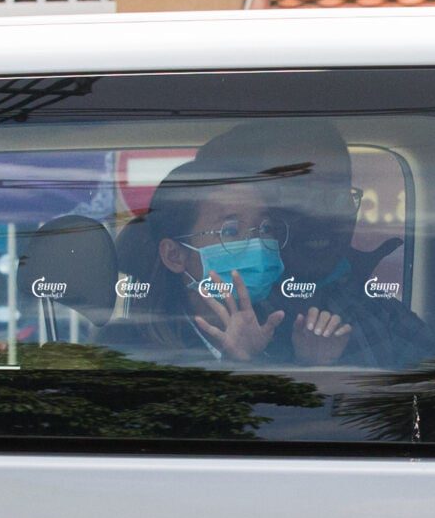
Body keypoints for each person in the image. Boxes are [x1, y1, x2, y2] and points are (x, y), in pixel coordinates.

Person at [193, 119, 435, 369]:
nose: (320, 216)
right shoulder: (213, 315)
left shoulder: (378, 314)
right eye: (296, 196)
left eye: (335, 196)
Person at [102, 157, 352, 367]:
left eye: (265, 228)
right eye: (230, 231)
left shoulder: (283, 326)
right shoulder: (124, 348)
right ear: (174, 256)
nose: (256, 244)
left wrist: (310, 364)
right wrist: (237, 365)